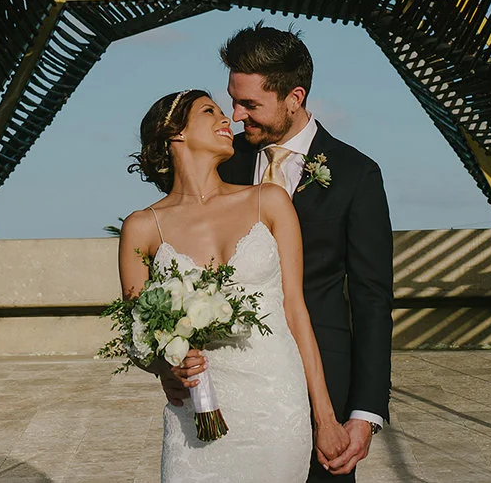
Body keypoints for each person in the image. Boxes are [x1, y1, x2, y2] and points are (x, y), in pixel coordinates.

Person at [165, 25, 394, 480]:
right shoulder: (223, 162)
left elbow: (372, 299)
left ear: (294, 96)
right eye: (233, 100)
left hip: (323, 384)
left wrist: (365, 413)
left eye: (250, 104)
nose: (236, 115)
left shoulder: (356, 174)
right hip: (229, 382)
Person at [119, 89, 350, 482]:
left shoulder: (270, 200)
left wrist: (325, 418)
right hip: (197, 409)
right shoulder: (142, 227)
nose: (227, 119)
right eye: (209, 111)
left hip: (276, 402)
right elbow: (137, 331)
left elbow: (295, 310)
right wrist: (166, 369)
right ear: (174, 133)